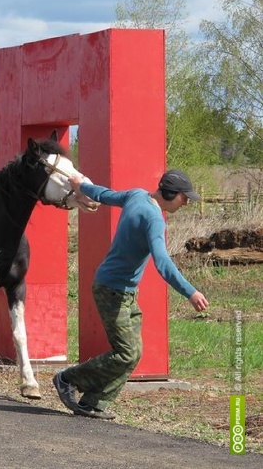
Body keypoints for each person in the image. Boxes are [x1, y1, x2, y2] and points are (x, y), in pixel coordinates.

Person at [53, 169, 210, 420]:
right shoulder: (154, 218)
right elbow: (163, 262)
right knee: (126, 352)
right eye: (184, 197)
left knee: (133, 352)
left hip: (122, 290)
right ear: (172, 194)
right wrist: (190, 292)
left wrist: (81, 185)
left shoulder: (137, 196)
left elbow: (104, 195)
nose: (187, 202)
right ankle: (67, 379)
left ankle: (92, 402)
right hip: (112, 290)